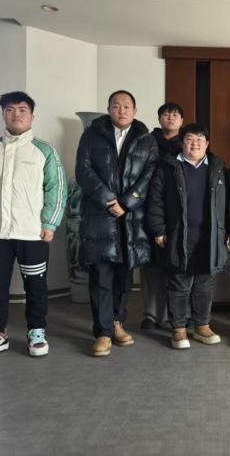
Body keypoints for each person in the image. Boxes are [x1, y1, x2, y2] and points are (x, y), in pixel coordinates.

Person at [0, 91, 66, 361]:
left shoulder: (44, 151)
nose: (16, 114)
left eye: (22, 110)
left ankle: (37, 331)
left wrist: (50, 223)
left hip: (33, 233)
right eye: (10, 109)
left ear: (32, 116)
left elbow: (56, 189)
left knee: (36, 287)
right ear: (3, 115)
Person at [76, 89, 158, 357]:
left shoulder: (146, 139)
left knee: (124, 275)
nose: (121, 110)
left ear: (135, 110)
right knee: (101, 274)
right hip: (100, 215)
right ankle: (102, 332)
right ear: (108, 109)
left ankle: (117, 323)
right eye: (116, 105)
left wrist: (128, 202)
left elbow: (150, 174)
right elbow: (83, 170)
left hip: (131, 218)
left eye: (126, 106)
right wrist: (108, 199)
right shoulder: (92, 134)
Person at [146, 123, 227, 349]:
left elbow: (227, 201)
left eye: (200, 140)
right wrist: (159, 229)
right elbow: (155, 199)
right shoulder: (168, 167)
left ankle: (202, 326)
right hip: (178, 235)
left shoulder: (218, 167)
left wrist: (227, 230)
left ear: (207, 144)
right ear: (182, 143)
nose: (195, 144)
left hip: (209, 236)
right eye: (190, 139)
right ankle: (179, 329)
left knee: (204, 284)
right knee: (179, 284)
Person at [141, 102, 184, 331]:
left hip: (177, 211)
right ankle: (150, 313)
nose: (171, 117)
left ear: (182, 121)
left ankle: (170, 315)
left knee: (174, 264)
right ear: (159, 118)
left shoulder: (187, 143)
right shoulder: (147, 141)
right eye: (166, 114)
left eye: (175, 115)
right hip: (148, 207)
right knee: (150, 264)